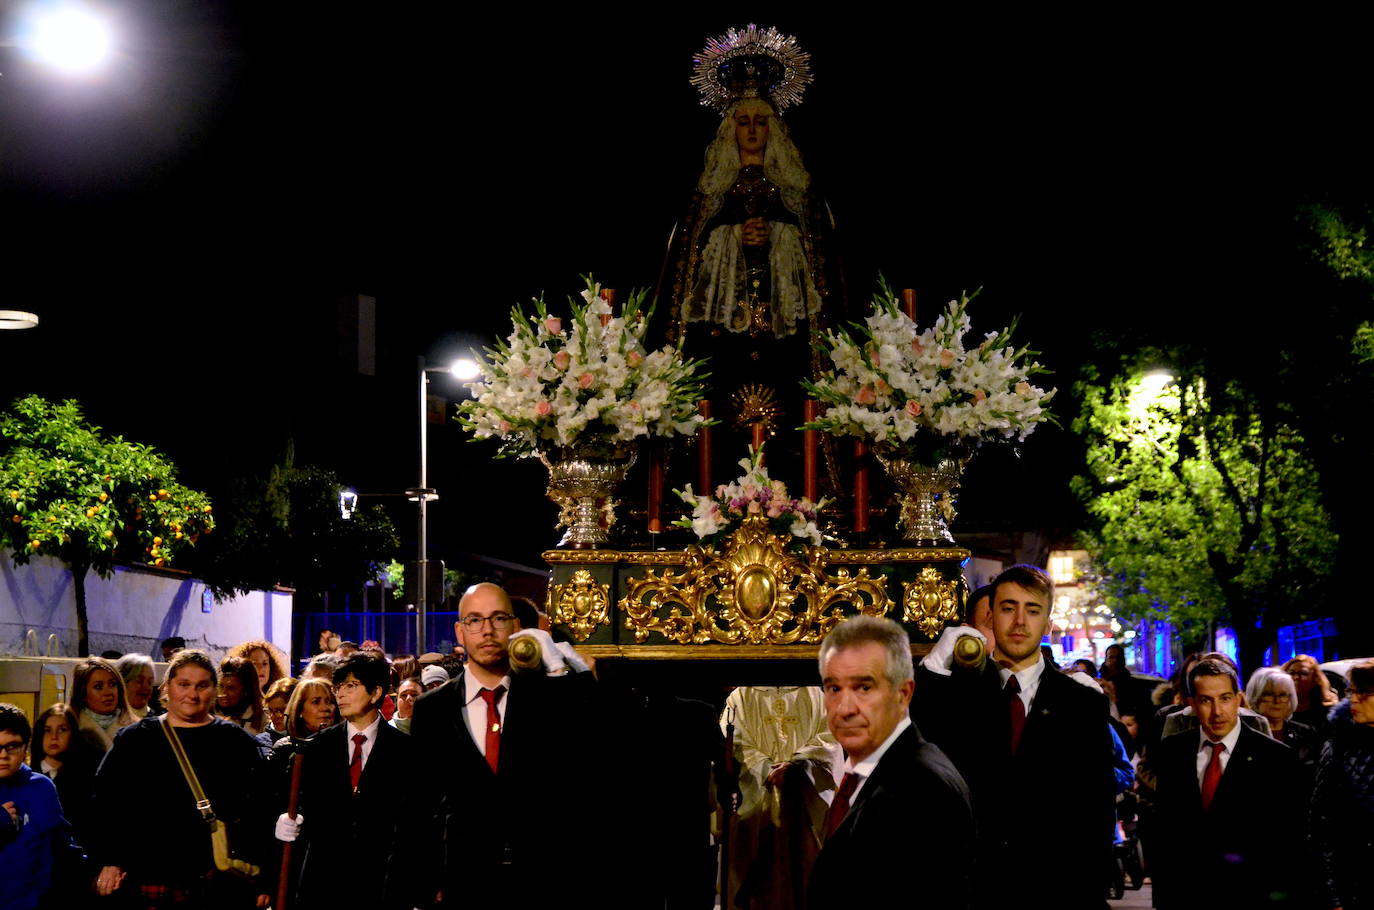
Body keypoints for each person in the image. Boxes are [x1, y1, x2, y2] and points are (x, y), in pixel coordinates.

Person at [914, 564, 1116, 910]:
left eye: (1032, 610)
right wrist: (932, 671)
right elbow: (919, 777)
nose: (1020, 621)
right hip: (966, 895)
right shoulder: (951, 696)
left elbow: (1096, 815)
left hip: (1053, 895)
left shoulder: (1083, 704)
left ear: (1048, 624)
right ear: (991, 617)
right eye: (1009, 608)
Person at [409, 582, 597, 906]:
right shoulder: (432, 709)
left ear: (515, 627)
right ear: (459, 631)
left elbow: (589, 767)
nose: (487, 630)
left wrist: (566, 674)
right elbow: (417, 807)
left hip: (547, 881)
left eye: (498, 618)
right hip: (465, 883)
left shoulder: (550, 698)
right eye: (474, 620)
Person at [807, 615, 973, 910]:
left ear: (903, 693)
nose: (845, 709)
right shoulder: (880, 772)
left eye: (864, 688)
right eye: (834, 689)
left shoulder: (921, 787)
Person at [91, 649, 271, 908]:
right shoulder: (136, 739)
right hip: (149, 872)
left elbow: (259, 811)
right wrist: (110, 859)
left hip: (216, 879)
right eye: (184, 684)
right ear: (167, 687)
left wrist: (263, 877)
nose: (192, 695)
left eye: (202, 686)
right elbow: (105, 803)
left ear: (214, 689)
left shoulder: (236, 742)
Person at [1151, 658, 1306, 909]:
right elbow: (1164, 832)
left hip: (1250, 897)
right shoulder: (1173, 750)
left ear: (1239, 699)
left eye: (1224, 698)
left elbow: (1289, 842)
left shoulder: (1276, 758)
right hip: (1186, 897)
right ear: (1192, 704)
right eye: (1206, 700)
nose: (1217, 711)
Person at [273, 652, 418, 910]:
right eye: (338, 687)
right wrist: (288, 820)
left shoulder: (405, 750)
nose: (340, 694)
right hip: (324, 884)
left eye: (350, 686)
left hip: (382, 884)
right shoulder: (317, 747)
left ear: (375, 692)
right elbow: (302, 805)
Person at [720, 684, 835, 909]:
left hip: (803, 794)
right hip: (756, 793)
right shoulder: (741, 696)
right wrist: (766, 769)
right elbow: (733, 742)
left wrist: (799, 765)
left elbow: (830, 738)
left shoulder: (815, 695)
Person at [1310, 659, 1374, 910]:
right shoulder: (1338, 747)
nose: (1354, 699)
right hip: (1354, 887)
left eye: (1364, 692)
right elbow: (1320, 827)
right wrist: (1333, 897)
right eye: (1352, 691)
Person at [0, 703, 75, 910]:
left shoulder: (41, 787)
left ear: (25, 747)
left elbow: (61, 847)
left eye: (12, 746)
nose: (3, 755)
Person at [29, 702, 99, 848]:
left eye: (62, 730)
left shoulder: (84, 779)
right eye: (47, 730)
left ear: (73, 734)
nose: (54, 737)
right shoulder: (27, 776)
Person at [70, 656, 137, 754]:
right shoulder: (70, 730)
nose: (108, 692)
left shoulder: (137, 728)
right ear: (82, 693)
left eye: (112, 684)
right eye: (98, 687)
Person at [1284, 653, 1339, 734]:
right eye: (1291, 673)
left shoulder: (1328, 707)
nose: (1296, 677)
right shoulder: (1279, 705)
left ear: (1315, 678)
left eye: (1303, 673)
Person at [216, 655, 267, 734]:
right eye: (221, 686)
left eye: (231, 688)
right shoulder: (208, 715)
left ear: (246, 690)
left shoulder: (263, 720)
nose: (224, 693)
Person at [116, 653, 160, 719]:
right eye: (140, 681)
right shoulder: (106, 719)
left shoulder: (157, 721)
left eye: (150, 682)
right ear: (122, 682)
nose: (146, 687)